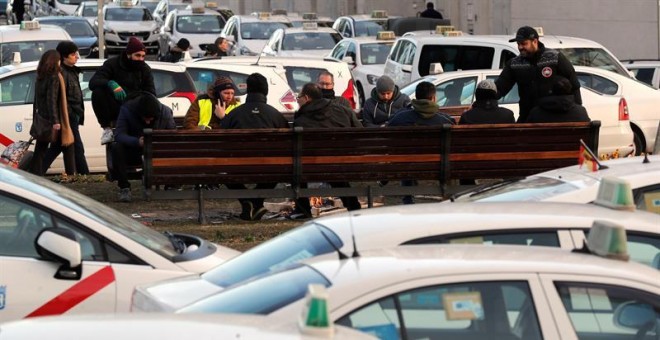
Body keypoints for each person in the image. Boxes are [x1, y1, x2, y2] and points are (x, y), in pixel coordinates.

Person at [220, 73, 289, 220]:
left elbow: (221, 140)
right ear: (266, 91)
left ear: (248, 90)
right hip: (270, 167)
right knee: (278, 165)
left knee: (222, 169)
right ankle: (256, 202)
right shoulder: (275, 115)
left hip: (237, 166)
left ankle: (247, 202)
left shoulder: (234, 114)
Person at [289, 83, 363, 218]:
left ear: (306, 98)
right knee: (334, 170)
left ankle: (303, 209)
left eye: (298, 97)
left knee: (297, 168)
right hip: (345, 164)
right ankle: (354, 206)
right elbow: (360, 132)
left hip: (312, 167)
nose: (297, 100)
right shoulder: (343, 111)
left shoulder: (301, 120)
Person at [495, 26, 582, 123]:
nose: (520, 47)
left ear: (535, 41)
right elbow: (500, 87)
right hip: (527, 117)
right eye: (518, 44)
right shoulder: (514, 64)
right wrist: (483, 102)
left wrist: (576, 111)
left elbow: (574, 85)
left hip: (552, 117)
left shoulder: (555, 58)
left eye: (524, 43)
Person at [388, 81, 455, 204]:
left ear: (416, 98)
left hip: (407, 165)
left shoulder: (400, 118)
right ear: (434, 98)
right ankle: (447, 194)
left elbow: (388, 130)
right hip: (439, 165)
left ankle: (408, 198)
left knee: (407, 155)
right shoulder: (445, 121)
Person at [89, 37, 155, 145]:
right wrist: (111, 83)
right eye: (137, 55)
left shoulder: (145, 69)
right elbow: (93, 82)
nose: (140, 59)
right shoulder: (112, 64)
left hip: (135, 108)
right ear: (129, 54)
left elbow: (151, 92)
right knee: (98, 92)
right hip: (115, 106)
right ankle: (107, 129)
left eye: (143, 56)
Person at [111, 92, 175, 202]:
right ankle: (124, 187)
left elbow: (172, 136)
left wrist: (158, 141)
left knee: (173, 149)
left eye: (150, 119)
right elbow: (119, 135)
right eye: (145, 118)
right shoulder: (127, 110)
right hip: (134, 149)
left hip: (157, 150)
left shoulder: (165, 112)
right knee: (117, 148)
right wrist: (137, 141)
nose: (147, 121)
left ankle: (170, 184)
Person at [42, 41, 90, 176]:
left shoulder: (71, 71)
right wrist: (60, 119)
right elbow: (55, 99)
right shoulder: (60, 73)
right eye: (73, 54)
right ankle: (84, 175)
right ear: (64, 56)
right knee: (77, 148)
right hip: (67, 117)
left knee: (59, 147)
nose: (77, 57)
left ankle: (36, 172)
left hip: (71, 116)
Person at [29, 49, 76, 176]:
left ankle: (35, 174)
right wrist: (55, 121)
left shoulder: (40, 76)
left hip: (43, 118)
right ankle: (71, 176)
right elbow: (52, 100)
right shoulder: (54, 77)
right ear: (55, 61)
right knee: (68, 144)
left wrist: (36, 118)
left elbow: (37, 100)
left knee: (41, 148)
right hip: (54, 119)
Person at [526, 76, 591, 123]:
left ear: (551, 91)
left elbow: (526, 134)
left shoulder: (536, 113)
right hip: (572, 142)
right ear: (569, 90)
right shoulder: (581, 112)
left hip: (544, 141)